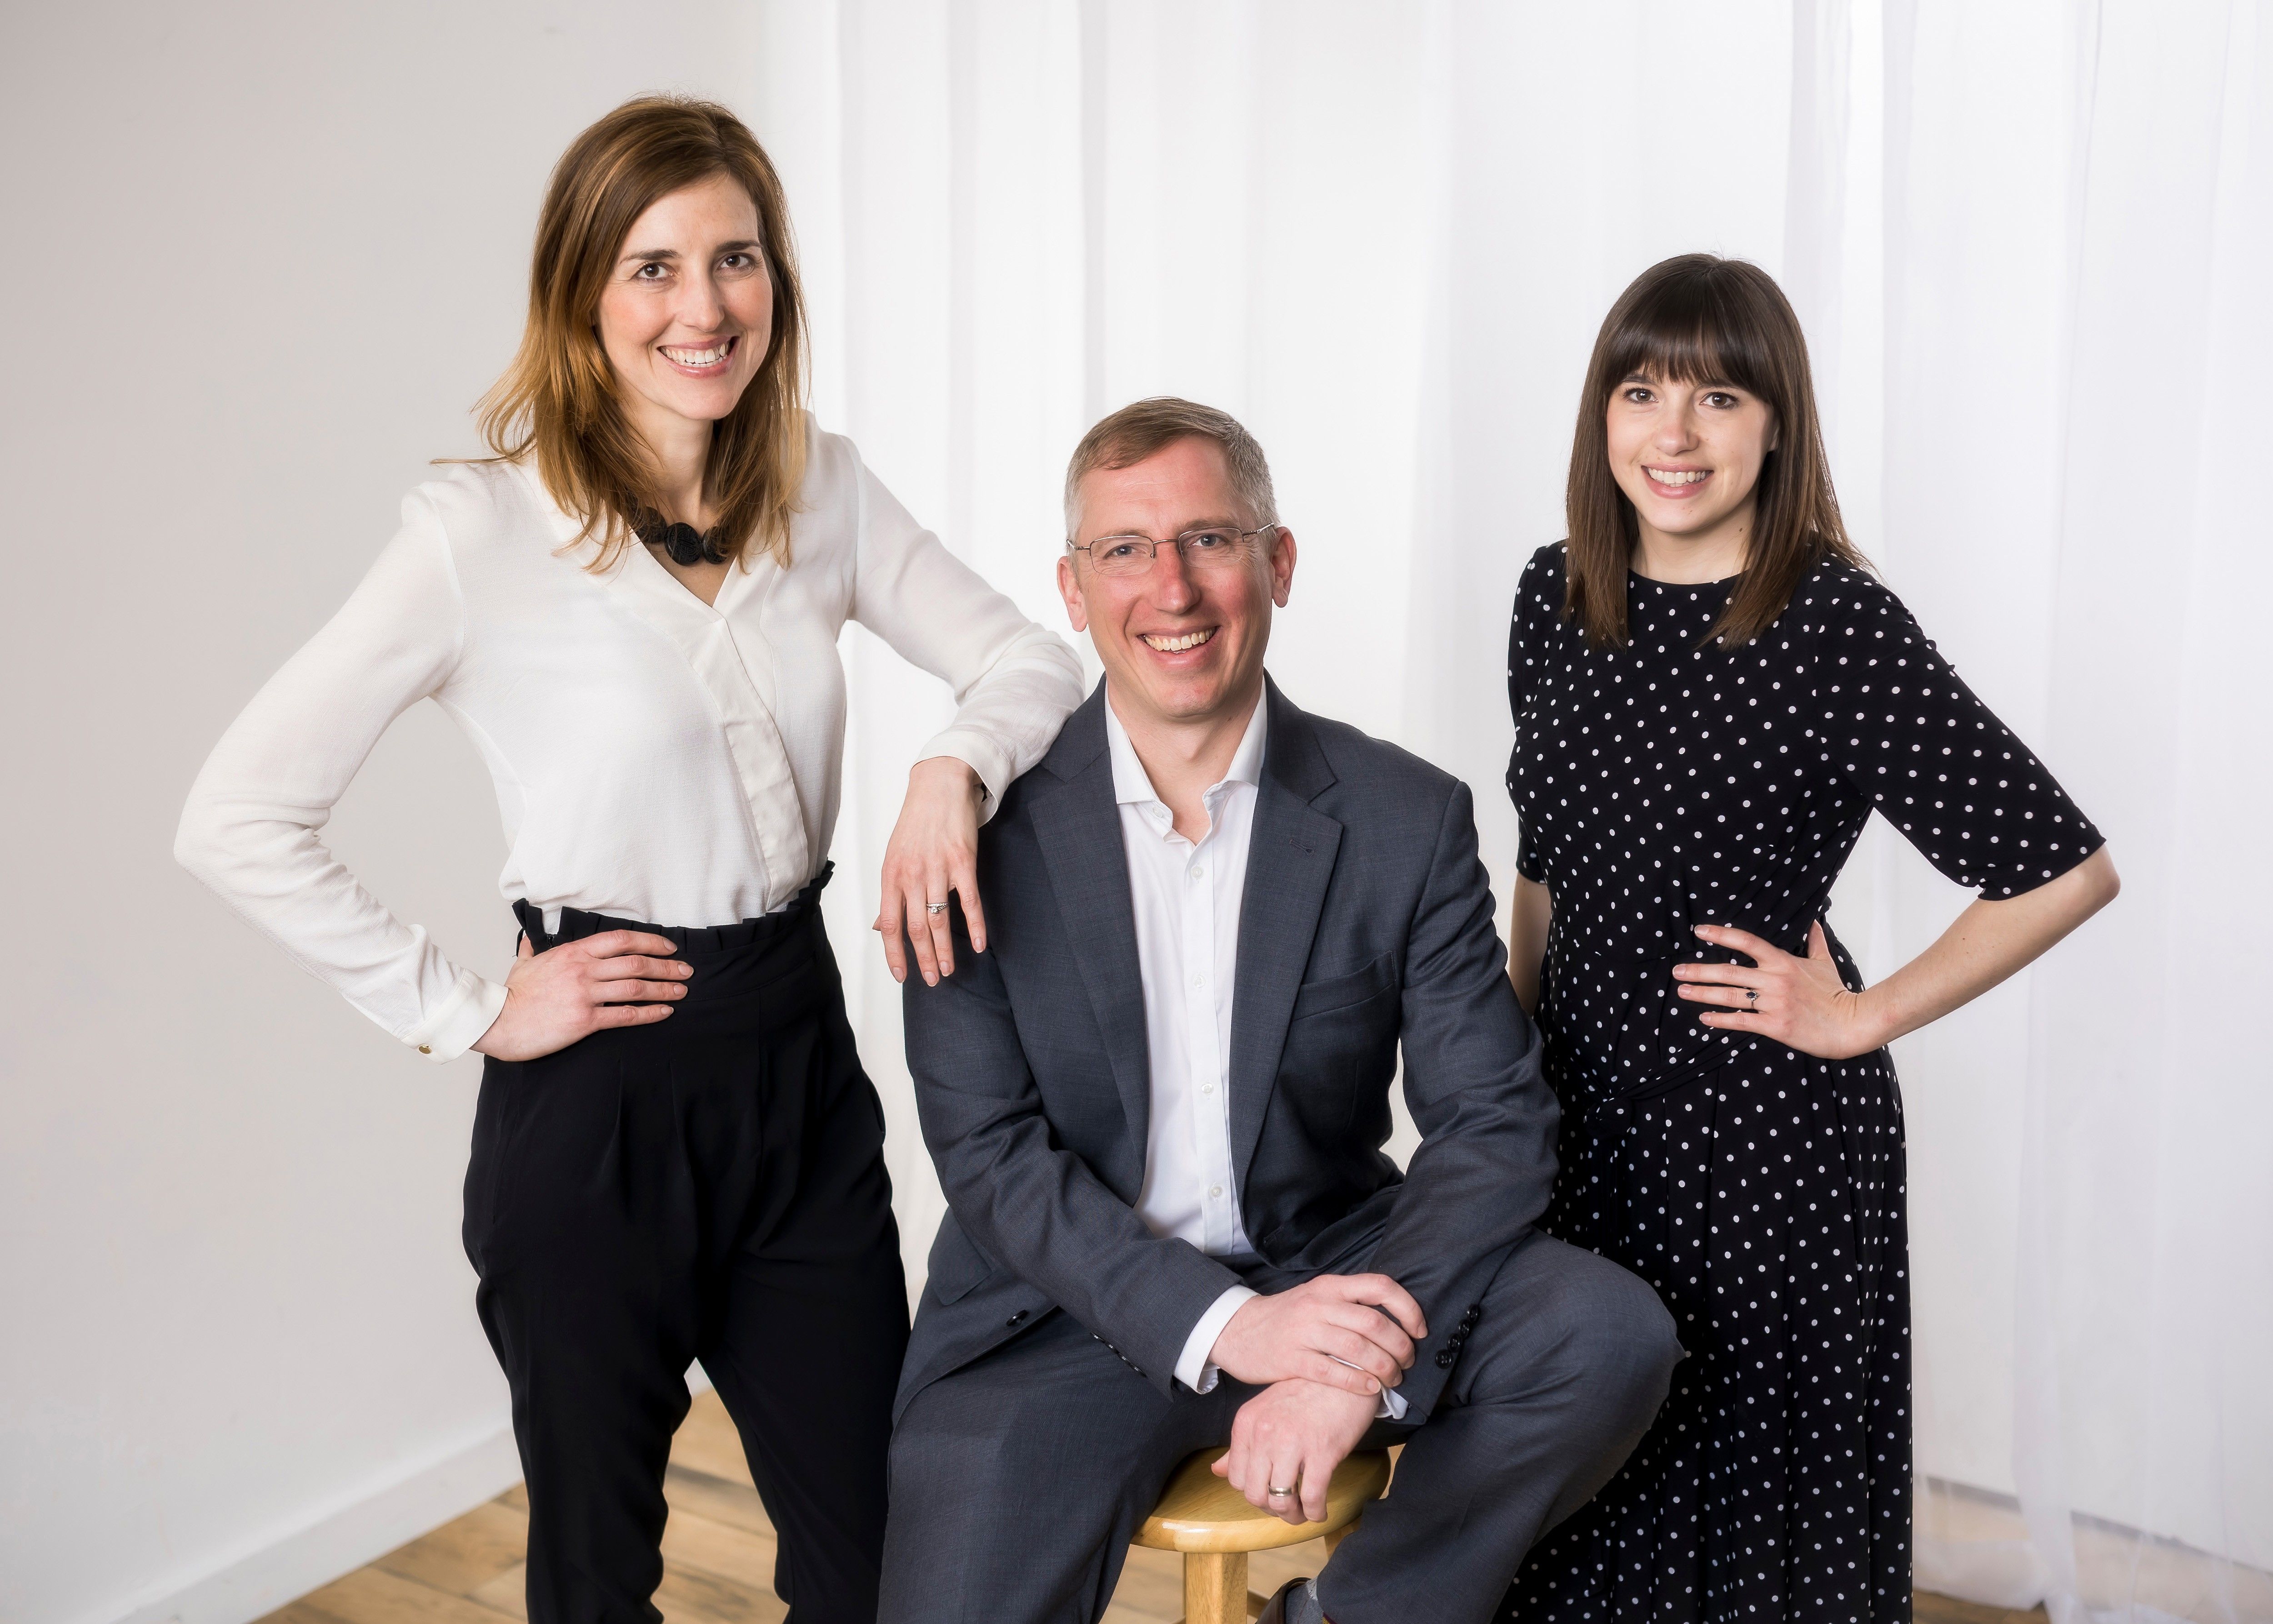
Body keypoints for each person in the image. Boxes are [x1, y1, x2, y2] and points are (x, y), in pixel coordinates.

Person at [174, 97, 1082, 1624]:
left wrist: (953, 764)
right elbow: (237, 813)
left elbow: (1029, 660)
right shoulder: (479, 533)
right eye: (653, 267)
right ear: (582, 293)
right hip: (598, 1094)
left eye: (736, 259)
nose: (703, 307)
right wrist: (471, 1008)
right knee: (597, 1580)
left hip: (798, 1065)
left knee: (879, 1560)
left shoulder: (820, 484)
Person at [877, 397, 1682, 1624]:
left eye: (1209, 539)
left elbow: (1494, 1122)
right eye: (1126, 550)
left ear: (1279, 564)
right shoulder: (971, 837)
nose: (1173, 589)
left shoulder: (1404, 816)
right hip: (1064, 1317)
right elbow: (988, 1157)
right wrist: (1230, 1327)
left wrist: (1348, 1362)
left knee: (1603, 1333)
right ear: (1074, 589)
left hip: (1337, 1266)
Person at [1499, 254, 2119, 1623]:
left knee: (1746, 1521)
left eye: (1719, 397)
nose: (1675, 433)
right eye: (1642, 391)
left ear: (1777, 426)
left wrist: (1859, 1015)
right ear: (1601, 413)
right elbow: (1543, 863)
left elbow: (2064, 868)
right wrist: (1502, 1074)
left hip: (1760, 1146)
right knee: (1584, 1496)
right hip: (1583, 1117)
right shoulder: (1556, 596)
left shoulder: (1831, 622)